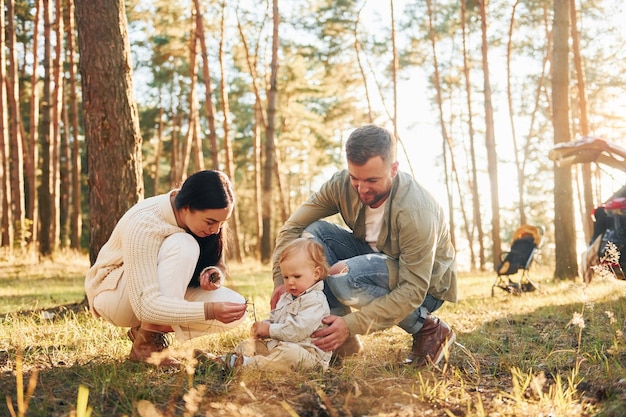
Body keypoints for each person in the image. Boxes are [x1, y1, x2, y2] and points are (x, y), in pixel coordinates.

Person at [270, 124, 457, 368]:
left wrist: (351, 325)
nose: (362, 188)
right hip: (372, 259)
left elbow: (413, 290)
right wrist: (280, 282)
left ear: (394, 169)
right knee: (312, 234)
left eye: (372, 180)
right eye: (355, 178)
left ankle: (429, 329)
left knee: (343, 276)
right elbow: (293, 227)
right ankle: (338, 341)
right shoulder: (341, 184)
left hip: (424, 288)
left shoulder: (416, 212)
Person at [85, 170, 247, 367]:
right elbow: (146, 306)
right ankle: (147, 347)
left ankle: (147, 336)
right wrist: (210, 310)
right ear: (187, 207)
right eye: (211, 222)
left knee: (235, 307)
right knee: (183, 243)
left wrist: (212, 273)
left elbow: (214, 262)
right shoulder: (145, 221)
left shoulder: (207, 222)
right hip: (115, 295)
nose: (215, 229)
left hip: (153, 296)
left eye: (222, 223)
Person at [227, 237, 332, 371]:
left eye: (297, 276)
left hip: (308, 356)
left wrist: (269, 330)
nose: (290, 282)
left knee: (288, 354)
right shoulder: (287, 297)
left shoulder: (315, 301)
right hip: (279, 347)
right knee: (247, 345)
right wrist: (263, 327)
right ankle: (227, 361)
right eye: (286, 277)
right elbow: (276, 320)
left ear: (316, 273)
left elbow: (296, 332)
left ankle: (246, 365)